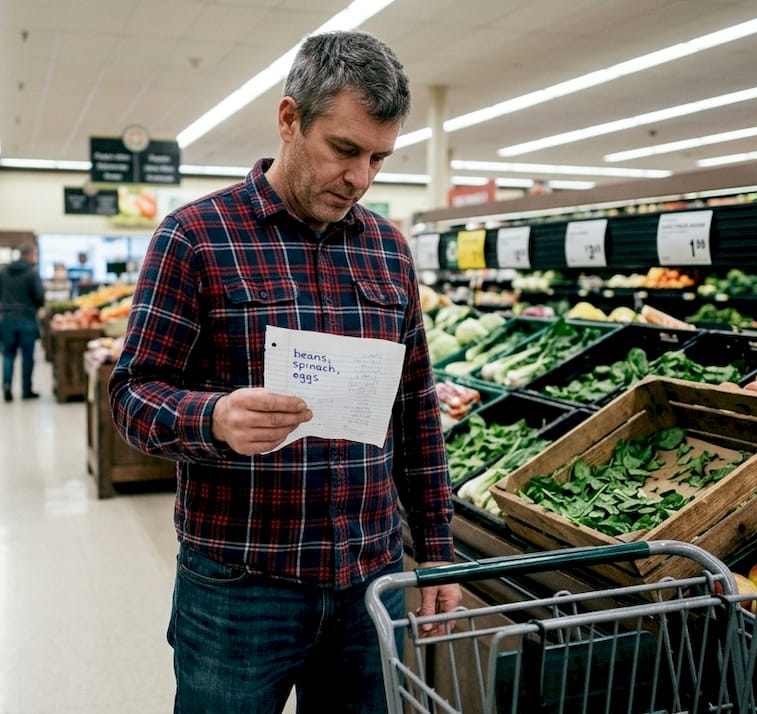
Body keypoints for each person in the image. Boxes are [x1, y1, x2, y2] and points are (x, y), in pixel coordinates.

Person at [109, 30, 459, 713]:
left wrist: (438, 550)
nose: (361, 178)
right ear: (290, 119)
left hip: (370, 579)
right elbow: (130, 394)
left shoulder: (389, 250)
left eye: (380, 159)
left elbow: (415, 409)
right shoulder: (195, 238)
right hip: (242, 586)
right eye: (345, 150)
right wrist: (211, 418)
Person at [0, 243, 45, 401]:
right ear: (29, 255)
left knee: (8, 354)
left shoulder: (4, 271)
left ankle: (7, 385)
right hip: (27, 317)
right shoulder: (32, 273)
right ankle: (26, 389)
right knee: (27, 356)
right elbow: (39, 296)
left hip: (6, 318)